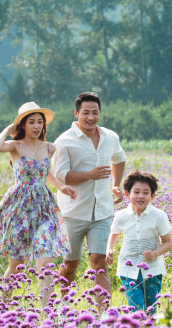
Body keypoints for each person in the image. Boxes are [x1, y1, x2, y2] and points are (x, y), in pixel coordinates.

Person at [0, 102, 75, 306]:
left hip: (44, 207)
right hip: (19, 207)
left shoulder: (49, 147)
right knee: (16, 264)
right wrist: (7, 130)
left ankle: (46, 311)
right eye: (32, 122)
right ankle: (0, 305)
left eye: (40, 122)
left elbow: (46, 173)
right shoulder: (15, 146)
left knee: (45, 261)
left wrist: (61, 187)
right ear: (23, 125)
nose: (36, 126)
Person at [52, 92, 126, 312]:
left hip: (102, 211)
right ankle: (64, 309)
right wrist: (89, 175)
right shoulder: (64, 141)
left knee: (99, 263)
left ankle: (104, 315)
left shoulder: (110, 137)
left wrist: (116, 183)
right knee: (70, 264)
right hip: (72, 212)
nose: (91, 117)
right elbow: (62, 175)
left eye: (95, 112)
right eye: (86, 112)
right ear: (77, 113)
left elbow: (119, 159)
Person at [106, 170, 172, 315]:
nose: (141, 196)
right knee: (135, 309)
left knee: (150, 309)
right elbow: (114, 233)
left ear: (152, 196)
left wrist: (155, 253)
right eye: (136, 192)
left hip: (152, 270)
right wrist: (109, 250)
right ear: (127, 194)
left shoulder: (159, 216)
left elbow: (168, 242)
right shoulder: (120, 216)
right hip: (128, 268)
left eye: (145, 192)